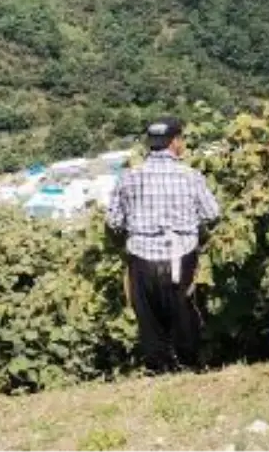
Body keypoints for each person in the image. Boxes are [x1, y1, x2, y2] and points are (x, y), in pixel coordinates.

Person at [107, 116, 222, 373]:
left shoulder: (128, 177)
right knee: (184, 319)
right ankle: (189, 369)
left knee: (150, 326)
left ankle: (159, 373)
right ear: (175, 142)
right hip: (181, 257)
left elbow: (114, 222)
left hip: (141, 258)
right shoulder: (190, 176)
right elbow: (213, 214)